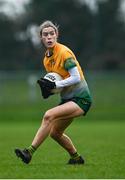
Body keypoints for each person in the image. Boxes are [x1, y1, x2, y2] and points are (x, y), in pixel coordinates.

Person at [15, 20, 92, 165]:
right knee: (55, 133)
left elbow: (75, 78)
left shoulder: (64, 53)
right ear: (41, 38)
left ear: (56, 35)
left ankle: (29, 152)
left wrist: (54, 84)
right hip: (68, 100)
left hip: (81, 99)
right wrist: (50, 90)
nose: (49, 37)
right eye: (45, 34)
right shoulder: (46, 59)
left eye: (52, 33)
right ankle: (76, 158)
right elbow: (60, 84)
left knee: (48, 115)